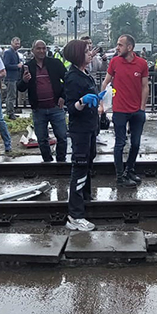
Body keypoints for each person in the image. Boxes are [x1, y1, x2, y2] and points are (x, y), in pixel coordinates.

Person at [61, 38, 100, 232]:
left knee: (88, 165)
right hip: (81, 130)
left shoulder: (85, 73)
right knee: (80, 169)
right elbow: (71, 107)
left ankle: (85, 199)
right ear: (77, 55)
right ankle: (75, 215)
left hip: (91, 127)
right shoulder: (73, 77)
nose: (90, 54)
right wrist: (82, 101)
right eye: (87, 51)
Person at [101, 34, 150, 187]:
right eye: (117, 44)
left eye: (120, 45)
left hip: (136, 110)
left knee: (135, 143)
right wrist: (102, 104)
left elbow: (145, 86)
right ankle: (120, 176)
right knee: (120, 143)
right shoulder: (115, 62)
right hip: (120, 110)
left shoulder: (141, 64)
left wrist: (142, 108)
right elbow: (105, 83)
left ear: (129, 48)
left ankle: (130, 169)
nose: (117, 47)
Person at [18, 39, 69, 162]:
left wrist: (63, 96)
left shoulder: (55, 63)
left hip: (56, 107)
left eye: (44, 48)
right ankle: (47, 161)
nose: (41, 51)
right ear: (33, 51)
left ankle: (61, 161)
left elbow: (68, 80)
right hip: (38, 109)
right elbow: (20, 88)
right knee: (42, 139)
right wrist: (25, 80)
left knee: (62, 136)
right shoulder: (28, 67)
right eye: (38, 48)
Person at [2, 37, 23, 119]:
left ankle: (11, 111)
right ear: (11, 43)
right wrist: (17, 66)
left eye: (18, 44)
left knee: (13, 95)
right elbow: (6, 65)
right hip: (10, 77)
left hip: (15, 77)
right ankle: (10, 113)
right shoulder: (8, 53)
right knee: (11, 96)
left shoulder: (15, 53)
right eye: (16, 43)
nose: (17, 45)